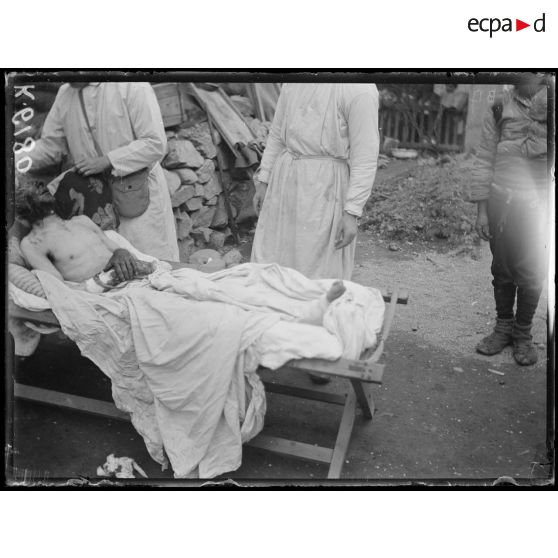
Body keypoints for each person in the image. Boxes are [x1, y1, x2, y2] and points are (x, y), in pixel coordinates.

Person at [15, 182, 347, 321]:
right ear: (23, 211)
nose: (43, 196)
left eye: (42, 191)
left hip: (140, 275)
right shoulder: (32, 244)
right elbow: (60, 290)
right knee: (207, 306)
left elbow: (117, 249)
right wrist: (105, 280)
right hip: (114, 293)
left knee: (220, 283)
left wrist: (125, 257)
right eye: (34, 195)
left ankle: (303, 301)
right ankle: (300, 314)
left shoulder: (81, 221)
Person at [17, 81, 178, 261]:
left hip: (137, 195)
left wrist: (108, 161)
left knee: (153, 261)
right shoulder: (65, 93)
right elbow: (50, 146)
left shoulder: (132, 85)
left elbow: (155, 143)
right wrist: (14, 160)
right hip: (94, 202)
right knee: (112, 265)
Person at [251, 83, 379, 281]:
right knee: (271, 265)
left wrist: (352, 212)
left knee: (315, 270)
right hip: (284, 180)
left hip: (325, 188)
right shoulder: (295, 80)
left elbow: (365, 156)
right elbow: (276, 134)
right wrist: (264, 179)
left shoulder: (358, 89)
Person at [471, 76, 549, 366]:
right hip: (501, 203)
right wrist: (482, 211)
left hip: (540, 207)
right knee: (502, 269)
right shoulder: (499, 106)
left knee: (532, 272)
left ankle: (523, 333)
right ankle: (503, 327)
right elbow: (484, 159)